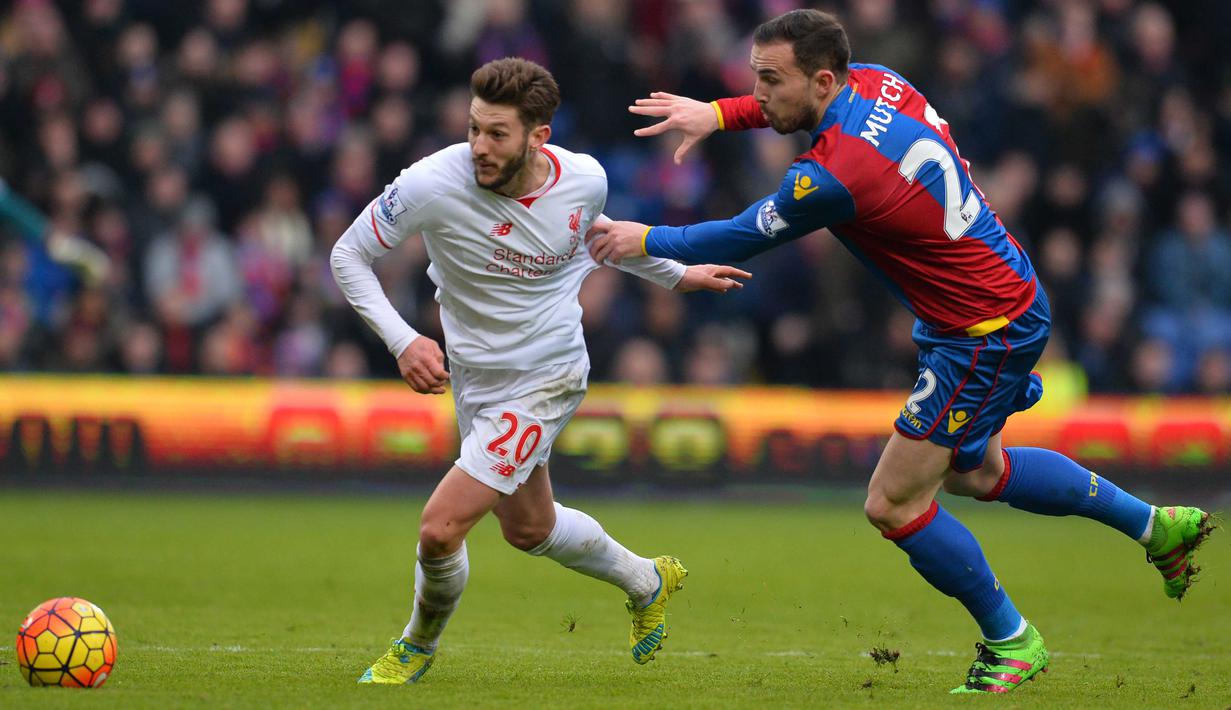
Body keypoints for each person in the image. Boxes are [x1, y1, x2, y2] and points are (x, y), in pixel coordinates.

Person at [587, 9, 1214, 695]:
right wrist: (720, 113)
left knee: (892, 502)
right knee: (976, 473)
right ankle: (1155, 527)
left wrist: (641, 239)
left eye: (769, 81)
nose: (758, 95)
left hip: (978, 333)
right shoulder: (882, 84)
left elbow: (740, 236)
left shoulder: (828, 176)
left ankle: (1011, 640)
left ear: (822, 80)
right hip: (999, 299)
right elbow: (820, 113)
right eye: (753, 81)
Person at [331, 57, 750, 685]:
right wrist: (402, 340)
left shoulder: (585, 180)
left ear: (538, 137)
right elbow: (348, 254)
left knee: (440, 529)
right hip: (475, 378)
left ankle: (415, 647)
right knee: (529, 529)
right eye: (474, 128)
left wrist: (678, 272)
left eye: (497, 134)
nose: (478, 146)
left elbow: (596, 237)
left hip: (547, 377)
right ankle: (647, 579)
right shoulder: (430, 184)